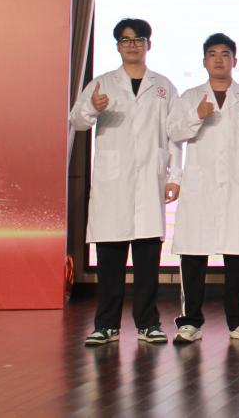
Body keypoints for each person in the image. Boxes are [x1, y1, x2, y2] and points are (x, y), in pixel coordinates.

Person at [70, 18, 181, 347]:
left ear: (149, 44)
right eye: (126, 40)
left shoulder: (163, 87)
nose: (132, 45)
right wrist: (92, 108)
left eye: (138, 39)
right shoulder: (102, 83)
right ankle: (106, 325)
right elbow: (77, 120)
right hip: (114, 185)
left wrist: (174, 176)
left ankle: (148, 323)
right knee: (110, 262)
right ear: (117, 46)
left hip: (149, 181)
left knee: (147, 261)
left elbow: (174, 134)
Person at [166, 33, 239, 344]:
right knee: (193, 256)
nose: (219, 60)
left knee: (237, 255)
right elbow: (174, 133)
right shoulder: (190, 97)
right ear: (204, 61)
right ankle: (189, 322)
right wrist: (197, 117)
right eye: (212, 54)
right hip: (199, 188)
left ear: (234, 60)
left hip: (237, 187)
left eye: (225, 54)